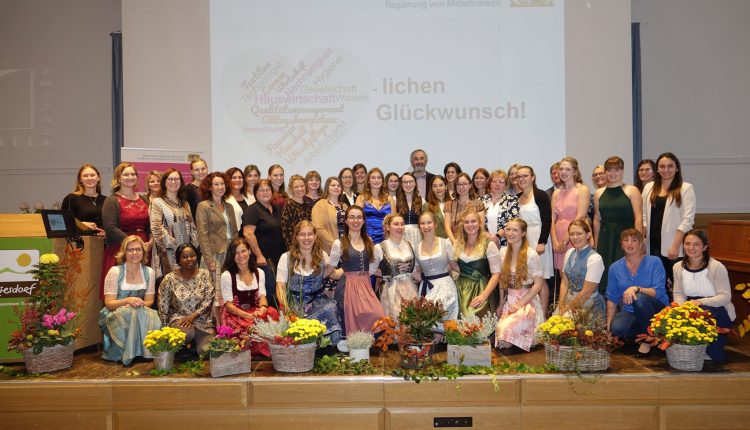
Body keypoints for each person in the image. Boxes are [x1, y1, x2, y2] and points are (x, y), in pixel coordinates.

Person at [673, 230, 735, 363]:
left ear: (705, 247)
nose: (691, 248)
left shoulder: (716, 267)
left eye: (696, 244)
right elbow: (678, 294)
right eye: (687, 244)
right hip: (690, 307)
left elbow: (725, 296)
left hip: (717, 309)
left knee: (714, 357)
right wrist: (681, 310)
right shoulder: (677, 267)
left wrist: (701, 302)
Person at [277, 221, 343, 344]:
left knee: (331, 309)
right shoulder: (286, 258)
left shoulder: (322, 255)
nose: (306, 238)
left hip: (318, 301)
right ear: (296, 237)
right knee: (291, 322)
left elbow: (331, 273)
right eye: (302, 234)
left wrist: (354, 269)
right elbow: (280, 286)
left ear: (315, 236)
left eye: (309, 234)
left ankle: (328, 347)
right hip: (295, 303)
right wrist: (286, 310)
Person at [606, 229, 668, 358]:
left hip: (657, 310)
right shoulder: (614, 268)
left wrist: (638, 289)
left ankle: (647, 340)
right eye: (626, 240)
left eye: (634, 240)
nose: (630, 243)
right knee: (617, 328)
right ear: (621, 244)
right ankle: (655, 334)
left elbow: (659, 291)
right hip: (630, 311)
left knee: (639, 298)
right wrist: (608, 329)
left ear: (641, 244)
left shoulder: (654, 262)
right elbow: (612, 299)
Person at [99, 236, 161, 365]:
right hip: (114, 312)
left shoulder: (149, 272)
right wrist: (128, 301)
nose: (134, 253)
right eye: (130, 250)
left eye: (138, 249)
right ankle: (128, 353)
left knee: (151, 315)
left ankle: (143, 352)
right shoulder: (115, 271)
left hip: (139, 309)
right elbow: (109, 304)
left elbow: (149, 301)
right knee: (131, 312)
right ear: (124, 252)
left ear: (143, 252)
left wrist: (138, 304)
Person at [642, 152, 696, 292]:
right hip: (653, 244)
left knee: (678, 285)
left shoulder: (685, 188)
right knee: (658, 285)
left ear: (677, 168)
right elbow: (644, 216)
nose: (666, 170)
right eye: (662, 166)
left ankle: (680, 306)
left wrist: (675, 245)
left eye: (670, 166)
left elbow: (687, 220)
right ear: (657, 169)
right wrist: (642, 242)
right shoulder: (649, 187)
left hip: (673, 244)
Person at [329, 205, 385, 334]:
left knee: (378, 314)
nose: (356, 221)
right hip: (347, 286)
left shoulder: (368, 241)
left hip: (365, 285)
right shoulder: (339, 243)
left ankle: (366, 342)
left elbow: (371, 267)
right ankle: (355, 344)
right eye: (352, 217)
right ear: (346, 221)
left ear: (363, 221)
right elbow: (331, 270)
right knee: (351, 317)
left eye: (359, 217)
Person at [219, 237, 279, 357]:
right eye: (236, 253)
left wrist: (262, 309)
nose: (241, 255)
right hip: (236, 314)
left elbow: (262, 295)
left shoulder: (259, 272)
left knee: (273, 319)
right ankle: (250, 347)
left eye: (243, 251)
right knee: (249, 331)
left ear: (249, 251)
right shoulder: (227, 275)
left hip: (255, 311)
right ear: (232, 256)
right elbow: (229, 305)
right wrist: (248, 316)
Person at [101, 162, 152, 299]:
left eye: (133, 174)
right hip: (120, 249)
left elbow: (150, 225)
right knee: (119, 295)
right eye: (126, 174)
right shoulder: (111, 201)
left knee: (144, 293)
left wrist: (151, 242)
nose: (130, 177)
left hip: (144, 249)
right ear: (118, 178)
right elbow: (110, 228)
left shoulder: (144, 199)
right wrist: (133, 244)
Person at [594, 156, 643, 295]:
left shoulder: (632, 190)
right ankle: (608, 302)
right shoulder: (599, 193)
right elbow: (597, 219)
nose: (613, 173)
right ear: (605, 172)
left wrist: (639, 241)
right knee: (605, 271)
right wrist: (596, 244)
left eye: (616, 169)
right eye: (609, 170)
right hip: (606, 237)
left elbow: (638, 218)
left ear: (622, 171)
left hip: (627, 237)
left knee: (625, 270)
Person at [495, 218, 545, 352]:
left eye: (515, 230)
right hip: (510, 299)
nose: (510, 233)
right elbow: (502, 281)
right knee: (502, 337)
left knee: (507, 337)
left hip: (527, 301)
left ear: (523, 233)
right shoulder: (503, 252)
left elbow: (538, 284)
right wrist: (501, 303)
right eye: (508, 229)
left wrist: (520, 304)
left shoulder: (531, 254)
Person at [158, 243, 215, 354]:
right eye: (184, 257)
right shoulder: (169, 279)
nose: (189, 259)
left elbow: (209, 299)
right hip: (180, 320)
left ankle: (191, 348)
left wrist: (192, 317)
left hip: (202, 320)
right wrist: (165, 330)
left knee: (206, 350)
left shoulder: (205, 274)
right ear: (179, 261)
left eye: (192, 255)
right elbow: (163, 305)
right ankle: (185, 346)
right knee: (187, 334)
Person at [195, 171, 238, 319]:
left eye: (222, 184)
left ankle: (227, 324)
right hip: (214, 255)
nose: (220, 187)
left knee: (228, 291)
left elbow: (234, 232)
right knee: (214, 293)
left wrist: (237, 252)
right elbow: (202, 235)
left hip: (230, 253)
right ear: (210, 187)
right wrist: (209, 260)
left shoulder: (229, 206)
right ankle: (214, 324)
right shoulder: (204, 206)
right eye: (216, 184)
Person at [515, 165, 553, 313]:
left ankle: (542, 315)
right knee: (528, 279)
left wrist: (542, 242)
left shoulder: (540, 195)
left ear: (532, 177)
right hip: (523, 240)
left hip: (538, 238)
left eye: (525, 176)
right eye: (519, 176)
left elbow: (547, 220)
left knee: (540, 279)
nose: (522, 179)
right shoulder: (517, 197)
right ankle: (531, 314)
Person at [149, 168, 198, 279]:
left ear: (181, 182)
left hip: (187, 252)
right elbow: (156, 227)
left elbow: (192, 226)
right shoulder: (157, 202)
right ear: (164, 182)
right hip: (168, 251)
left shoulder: (185, 203)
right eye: (170, 179)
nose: (173, 182)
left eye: (176, 179)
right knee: (170, 283)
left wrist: (192, 247)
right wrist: (174, 247)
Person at [241, 179, 283, 308]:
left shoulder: (276, 209)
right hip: (263, 260)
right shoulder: (252, 210)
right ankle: (270, 318)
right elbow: (248, 234)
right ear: (255, 193)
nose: (265, 192)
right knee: (270, 291)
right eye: (261, 190)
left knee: (280, 290)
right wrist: (259, 255)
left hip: (278, 257)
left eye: (267, 189)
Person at [413, 211, 459, 322]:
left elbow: (454, 265)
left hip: (446, 286)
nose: (426, 226)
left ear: (435, 224)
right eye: (422, 223)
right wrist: (424, 281)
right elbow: (416, 271)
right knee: (428, 322)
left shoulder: (445, 243)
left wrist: (472, 274)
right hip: (427, 287)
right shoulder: (416, 247)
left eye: (429, 222)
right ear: (419, 226)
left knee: (446, 321)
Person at [556, 220, 606, 319]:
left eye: (579, 233)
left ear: (588, 235)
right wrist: (561, 305)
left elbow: (586, 293)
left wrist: (566, 309)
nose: (575, 237)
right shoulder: (569, 253)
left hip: (588, 303)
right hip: (568, 300)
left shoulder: (595, 259)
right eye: (572, 234)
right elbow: (565, 282)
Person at [372, 214, 418, 319]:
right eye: (396, 224)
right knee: (393, 321)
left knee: (412, 321)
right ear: (388, 227)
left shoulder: (410, 245)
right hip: (390, 290)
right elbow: (371, 270)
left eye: (402, 224)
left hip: (410, 289)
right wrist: (387, 274)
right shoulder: (380, 247)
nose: (400, 227)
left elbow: (414, 271)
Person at [457, 210, 501, 318]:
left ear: (480, 223)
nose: (470, 225)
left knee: (473, 319)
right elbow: (454, 266)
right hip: (461, 290)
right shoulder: (459, 245)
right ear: (463, 225)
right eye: (466, 222)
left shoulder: (489, 245)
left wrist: (483, 296)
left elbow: (496, 274)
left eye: (473, 221)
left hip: (481, 289)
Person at [551, 157, 590, 272]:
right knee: (562, 273)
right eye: (561, 169)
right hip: (559, 234)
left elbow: (581, 216)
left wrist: (565, 240)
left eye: (567, 169)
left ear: (575, 172)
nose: (563, 172)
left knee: (575, 272)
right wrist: (555, 241)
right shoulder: (556, 192)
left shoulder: (582, 189)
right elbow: (552, 219)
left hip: (575, 234)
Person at [61, 163, 106, 235]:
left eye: (92, 175)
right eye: (85, 176)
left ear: (98, 178)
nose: (89, 178)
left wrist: (107, 233)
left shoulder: (106, 200)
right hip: (81, 240)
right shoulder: (71, 198)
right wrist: (82, 224)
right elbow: (63, 222)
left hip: (104, 241)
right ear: (80, 179)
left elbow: (111, 224)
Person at [355, 167, 396, 245]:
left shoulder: (389, 199)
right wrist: (364, 237)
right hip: (366, 240)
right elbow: (356, 221)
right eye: (373, 178)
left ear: (382, 181)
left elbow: (394, 222)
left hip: (386, 240)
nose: (376, 180)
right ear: (368, 181)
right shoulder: (361, 198)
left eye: (379, 178)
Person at [481, 169, 519, 248]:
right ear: (490, 183)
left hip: (505, 244)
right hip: (484, 242)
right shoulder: (481, 200)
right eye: (494, 181)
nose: (497, 184)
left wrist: (497, 237)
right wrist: (488, 236)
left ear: (505, 185)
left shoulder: (512, 200)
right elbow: (478, 221)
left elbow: (512, 221)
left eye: (501, 182)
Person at [311, 176, 349, 255]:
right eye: (333, 185)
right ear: (327, 188)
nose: (336, 187)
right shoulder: (320, 204)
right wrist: (335, 246)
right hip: (329, 250)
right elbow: (319, 228)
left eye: (339, 186)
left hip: (346, 248)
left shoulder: (345, 206)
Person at [444, 172, 484, 244]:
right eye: (458, 184)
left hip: (474, 243)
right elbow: (447, 226)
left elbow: (481, 226)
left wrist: (473, 243)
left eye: (464, 184)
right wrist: (454, 242)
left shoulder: (479, 204)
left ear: (470, 185)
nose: (461, 187)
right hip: (454, 242)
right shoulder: (449, 205)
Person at [281, 175, 312, 250]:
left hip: (309, 245)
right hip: (295, 248)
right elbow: (286, 232)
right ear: (291, 189)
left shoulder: (308, 204)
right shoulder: (289, 205)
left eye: (302, 186)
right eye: (296, 187)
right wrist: (292, 249)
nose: (300, 189)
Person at [396, 171, 423, 247]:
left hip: (417, 236)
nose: (408, 184)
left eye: (410, 182)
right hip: (400, 234)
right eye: (405, 182)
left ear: (415, 184)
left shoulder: (422, 201)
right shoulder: (395, 200)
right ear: (401, 184)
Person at [423, 175, 452, 239]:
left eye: (441, 185)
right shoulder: (427, 206)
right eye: (435, 186)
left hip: (454, 241)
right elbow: (425, 228)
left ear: (446, 187)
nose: (438, 188)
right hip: (437, 242)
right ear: (432, 189)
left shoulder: (454, 204)